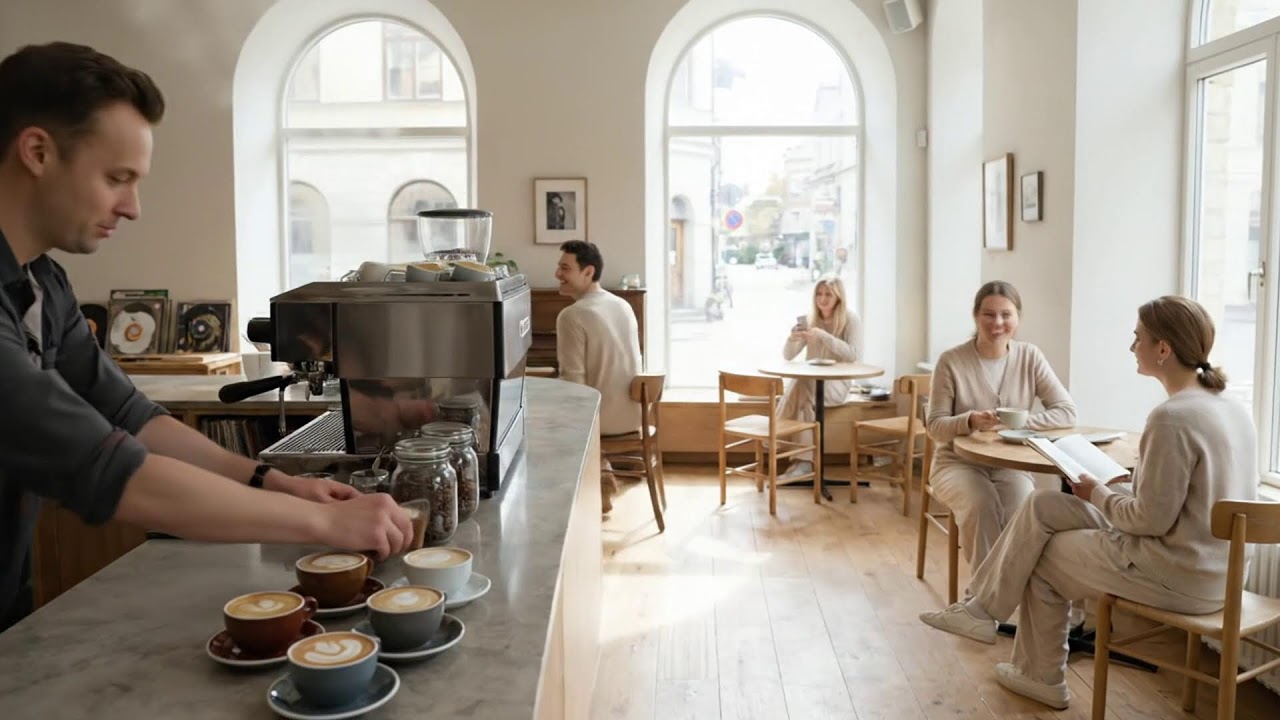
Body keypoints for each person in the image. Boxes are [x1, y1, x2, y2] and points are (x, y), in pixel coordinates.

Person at [0, 42, 413, 633]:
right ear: (37, 151)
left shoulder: (43, 280)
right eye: (117, 178)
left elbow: (129, 415)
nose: (133, 207)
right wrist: (324, 527)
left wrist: (276, 483)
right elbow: (112, 471)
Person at [920, 296, 1258, 710]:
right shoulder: (1231, 407)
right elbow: (1182, 500)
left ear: (1163, 349)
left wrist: (1096, 491)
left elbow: (1149, 520)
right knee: (1043, 506)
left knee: (1042, 554)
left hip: (1177, 575)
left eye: (1138, 339)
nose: (1133, 347)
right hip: (1223, 572)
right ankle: (979, 609)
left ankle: (1039, 675)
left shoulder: (1171, 417)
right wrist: (1114, 488)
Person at [926, 281, 1075, 569]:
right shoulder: (951, 361)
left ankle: (1006, 599)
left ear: (1017, 318)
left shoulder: (1030, 356)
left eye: (1006, 315)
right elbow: (934, 426)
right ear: (975, 316)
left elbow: (1066, 412)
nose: (998, 322)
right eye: (989, 314)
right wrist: (968, 420)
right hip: (955, 463)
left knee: (1024, 513)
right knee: (981, 505)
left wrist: (1018, 424)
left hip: (1010, 464)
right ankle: (983, 603)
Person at [554, 240, 642, 513]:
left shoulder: (572, 315)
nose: (557, 274)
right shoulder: (622, 305)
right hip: (635, 415)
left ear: (588, 272)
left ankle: (570, 501)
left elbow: (573, 384)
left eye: (565, 268)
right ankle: (602, 478)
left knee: (533, 417)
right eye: (559, 267)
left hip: (602, 420)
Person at [776, 275, 862, 480]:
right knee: (803, 390)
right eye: (819, 294)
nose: (822, 299)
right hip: (811, 384)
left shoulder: (850, 319)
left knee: (801, 385)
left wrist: (823, 336)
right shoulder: (811, 319)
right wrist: (792, 338)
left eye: (828, 294)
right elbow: (788, 355)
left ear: (838, 297)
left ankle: (780, 442)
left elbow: (853, 355)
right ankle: (802, 462)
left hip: (837, 385)